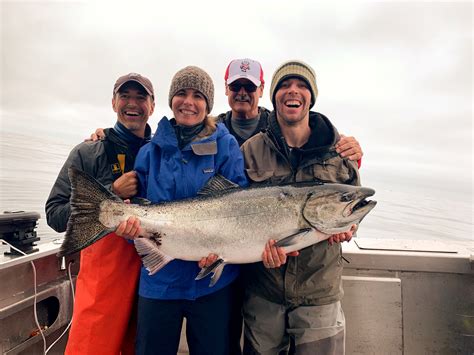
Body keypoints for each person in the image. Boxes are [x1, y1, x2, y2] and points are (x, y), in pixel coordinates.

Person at [116, 66, 248, 355]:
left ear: (208, 104)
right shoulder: (149, 152)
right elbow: (138, 210)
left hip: (213, 284)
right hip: (159, 282)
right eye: (181, 94)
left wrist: (221, 250)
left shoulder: (226, 147)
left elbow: (239, 211)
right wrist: (130, 232)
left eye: (198, 96)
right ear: (170, 99)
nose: (188, 102)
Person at [240, 60, 360, 354]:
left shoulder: (341, 153)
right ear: (274, 96)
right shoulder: (250, 150)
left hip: (319, 294)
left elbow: (353, 209)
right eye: (284, 85)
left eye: (302, 85)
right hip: (263, 294)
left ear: (311, 96)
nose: (293, 91)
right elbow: (232, 212)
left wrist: (350, 228)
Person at [45, 72, 155, 355]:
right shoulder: (87, 152)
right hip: (102, 285)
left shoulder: (162, 155)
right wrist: (111, 193)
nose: (132, 103)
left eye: (140, 97)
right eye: (125, 96)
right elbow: (55, 213)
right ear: (113, 102)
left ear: (152, 106)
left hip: (150, 283)